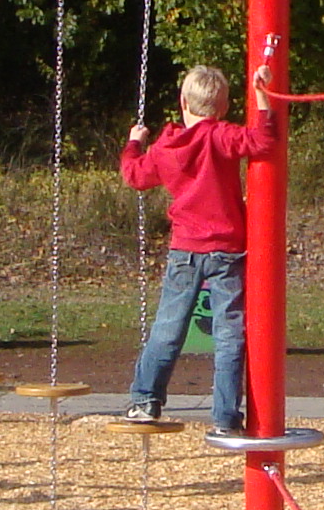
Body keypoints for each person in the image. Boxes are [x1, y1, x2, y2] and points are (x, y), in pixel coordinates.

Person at [113, 59, 277, 432]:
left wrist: (134, 143)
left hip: (185, 250)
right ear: (224, 107)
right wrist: (262, 95)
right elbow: (263, 141)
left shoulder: (166, 145)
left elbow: (135, 176)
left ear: (183, 103)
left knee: (168, 327)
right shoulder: (221, 135)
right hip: (227, 250)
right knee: (229, 334)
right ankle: (225, 417)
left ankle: (145, 400)